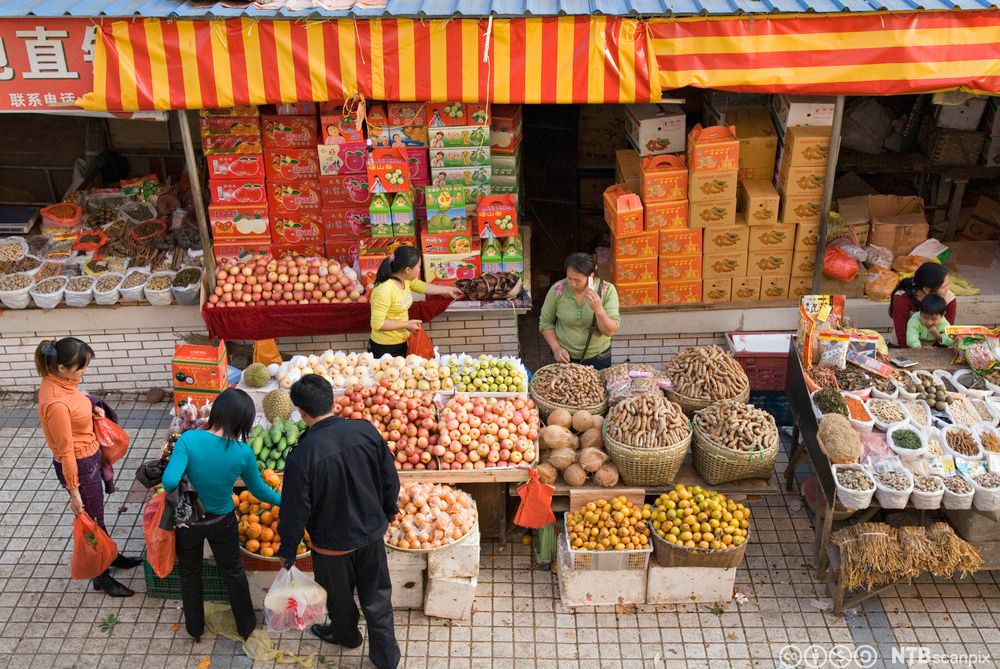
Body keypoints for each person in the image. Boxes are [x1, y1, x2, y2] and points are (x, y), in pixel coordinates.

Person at [277, 375, 401, 669]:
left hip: (332, 545)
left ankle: (347, 636)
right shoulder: (365, 431)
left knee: (339, 598)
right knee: (377, 598)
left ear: (302, 411)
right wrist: (388, 509)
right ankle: (386, 659)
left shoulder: (301, 457)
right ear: (331, 400)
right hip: (370, 535)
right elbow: (389, 477)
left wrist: (288, 549)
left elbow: (294, 510)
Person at [162, 388, 281, 642]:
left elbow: (170, 479)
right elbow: (259, 490)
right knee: (233, 572)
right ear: (243, 422)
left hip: (189, 521)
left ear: (217, 412)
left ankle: (194, 629)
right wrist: (284, 500)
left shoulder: (189, 439)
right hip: (222, 521)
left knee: (190, 573)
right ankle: (246, 626)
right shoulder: (242, 452)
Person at [36, 337, 142, 597]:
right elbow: (66, 452)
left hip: (89, 458)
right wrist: (74, 492)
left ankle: (110, 557)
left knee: (98, 519)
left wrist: (96, 413)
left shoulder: (63, 383)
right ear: (62, 368)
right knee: (91, 524)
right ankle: (101, 575)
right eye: (81, 367)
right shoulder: (55, 403)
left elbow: (78, 404)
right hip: (81, 468)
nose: (85, 372)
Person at [368, 245, 462, 358]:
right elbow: (377, 323)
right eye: (418, 267)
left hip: (402, 341)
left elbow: (422, 286)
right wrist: (406, 324)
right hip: (384, 348)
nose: (419, 270)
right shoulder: (384, 290)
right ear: (407, 269)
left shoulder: (405, 280)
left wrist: (448, 290)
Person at [539, 252, 621, 370]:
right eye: (569, 278)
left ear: (591, 276)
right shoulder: (558, 290)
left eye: (577, 280)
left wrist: (599, 310)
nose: (572, 283)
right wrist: (556, 348)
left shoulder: (607, 291)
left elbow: (610, 331)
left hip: (599, 358)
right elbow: (545, 322)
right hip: (565, 357)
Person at [890, 262, 957, 347]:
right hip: (901, 347)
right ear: (927, 290)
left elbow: (948, 333)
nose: (947, 290)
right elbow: (901, 335)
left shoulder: (949, 299)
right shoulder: (902, 298)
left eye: (947, 285)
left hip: (937, 350)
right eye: (943, 287)